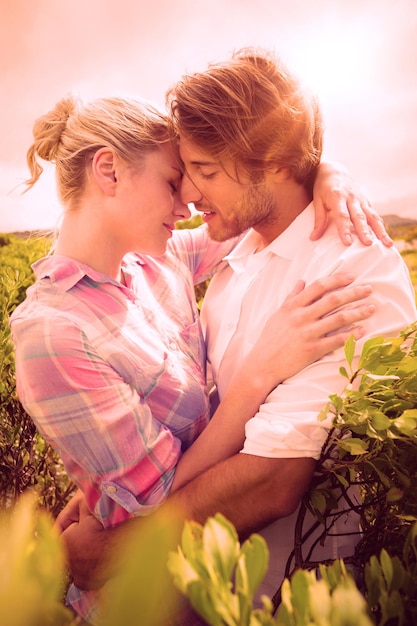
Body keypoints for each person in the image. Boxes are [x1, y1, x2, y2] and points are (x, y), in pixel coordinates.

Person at [56, 48, 417, 624]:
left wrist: (118, 553)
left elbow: (273, 479)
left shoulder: (351, 271)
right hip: (198, 583)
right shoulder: (238, 247)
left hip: (281, 597)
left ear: (273, 160)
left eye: (205, 170)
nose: (189, 196)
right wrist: (112, 495)